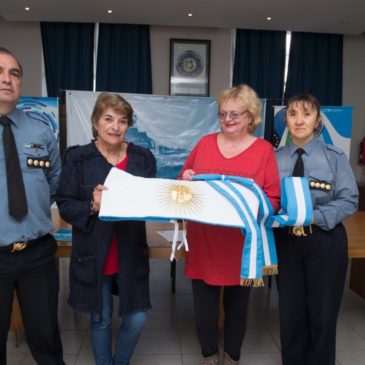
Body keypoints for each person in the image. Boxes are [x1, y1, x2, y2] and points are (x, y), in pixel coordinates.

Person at [180, 84, 281, 365]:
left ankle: (232, 357)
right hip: (204, 240)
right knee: (204, 308)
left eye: (235, 114)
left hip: (242, 245)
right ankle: (209, 355)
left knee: (238, 307)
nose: (228, 120)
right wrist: (186, 176)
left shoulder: (263, 151)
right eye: (223, 114)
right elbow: (182, 179)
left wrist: (252, 209)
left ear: (251, 117)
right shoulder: (204, 143)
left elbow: (273, 198)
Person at [56, 92, 156, 365]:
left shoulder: (143, 158)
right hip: (93, 253)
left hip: (130, 252)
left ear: (128, 125)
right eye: (108, 119)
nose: (115, 127)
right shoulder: (78, 158)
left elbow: (151, 200)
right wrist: (92, 204)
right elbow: (64, 204)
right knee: (100, 319)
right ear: (95, 122)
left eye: (122, 121)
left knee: (137, 318)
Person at [274, 92, 359, 365]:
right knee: (291, 314)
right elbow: (267, 198)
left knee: (322, 315)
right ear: (285, 119)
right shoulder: (275, 159)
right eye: (293, 114)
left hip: (325, 242)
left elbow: (349, 200)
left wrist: (315, 216)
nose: (299, 120)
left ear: (317, 120)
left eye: (306, 114)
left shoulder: (334, 158)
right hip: (286, 244)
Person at [0, 47, 64, 364]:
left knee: (46, 336)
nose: (7, 79)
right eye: (0, 71)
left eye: (14, 73)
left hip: (37, 253)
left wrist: (33, 213)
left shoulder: (40, 130)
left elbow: (53, 180)